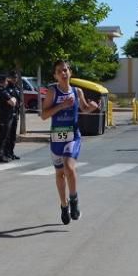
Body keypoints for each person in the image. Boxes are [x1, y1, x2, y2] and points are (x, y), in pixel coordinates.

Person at [40, 59, 98, 225]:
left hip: (73, 135)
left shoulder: (77, 91)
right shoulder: (52, 92)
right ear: (55, 75)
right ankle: (64, 205)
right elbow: (44, 115)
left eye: (65, 70)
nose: (63, 73)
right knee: (59, 174)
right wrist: (61, 105)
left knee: (69, 167)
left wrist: (92, 107)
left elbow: (84, 108)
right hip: (57, 136)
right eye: (59, 71)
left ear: (70, 72)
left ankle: (74, 201)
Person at [0, 75, 15, 163]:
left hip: (4, 116)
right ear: (2, 82)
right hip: (5, 116)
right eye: (6, 81)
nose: (7, 83)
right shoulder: (2, 92)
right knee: (3, 136)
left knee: (3, 136)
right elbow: (12, 102)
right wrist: (13, 98)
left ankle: (1, 154)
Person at [5, 71, 23, 159]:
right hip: (9, 114)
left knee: (13, 135)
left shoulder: (17, 87)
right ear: (9, 78)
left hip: (16, 113)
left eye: (16, 78)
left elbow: (19, 99)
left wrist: (20, 104)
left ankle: (11, 152)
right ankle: (6, 152)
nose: (15, 79)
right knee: (7, 135)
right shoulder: (7, 88)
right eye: (13, 77)